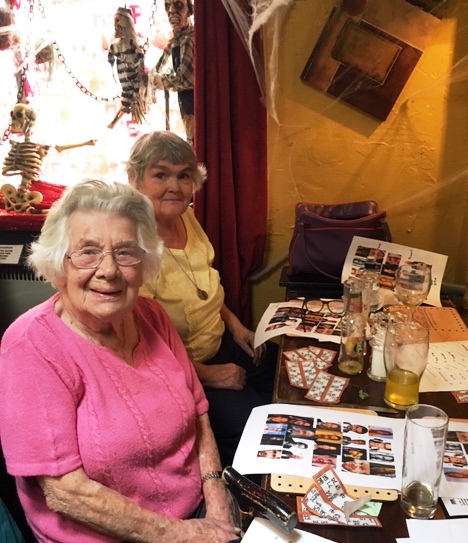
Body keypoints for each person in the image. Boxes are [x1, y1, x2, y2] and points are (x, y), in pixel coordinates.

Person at [0, 180, 240, 543]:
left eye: (125, 252)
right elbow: (65, 492)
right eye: (88, 252)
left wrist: (217, 501)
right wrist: (184, 535)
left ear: (144, 262)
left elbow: (198, 411)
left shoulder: (152, 316)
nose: (109, 270)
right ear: (59, 262)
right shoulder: (30, 346)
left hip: (197, 514)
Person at [126, 131, 277, 467]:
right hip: (185, 371)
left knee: (289, 376)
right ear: (135, 178)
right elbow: (140, 348)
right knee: (262, 433)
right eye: (160, 175)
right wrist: (208, 374)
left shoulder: (187, 217)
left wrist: (236, 326)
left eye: (183, 176)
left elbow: (203, 286)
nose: (175, 186)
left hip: (222, 342)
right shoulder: (132, 245)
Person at [151, 0, 195, 144]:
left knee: (194, 139)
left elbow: (185, 79)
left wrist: (162, 81)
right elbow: (159, 67)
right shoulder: (176, 40)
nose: (171, 11)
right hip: (186, 104)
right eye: (167, 6)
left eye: (178, 5)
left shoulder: (188, 39)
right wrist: (150, 79)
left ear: (189, 10)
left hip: (194, 103)